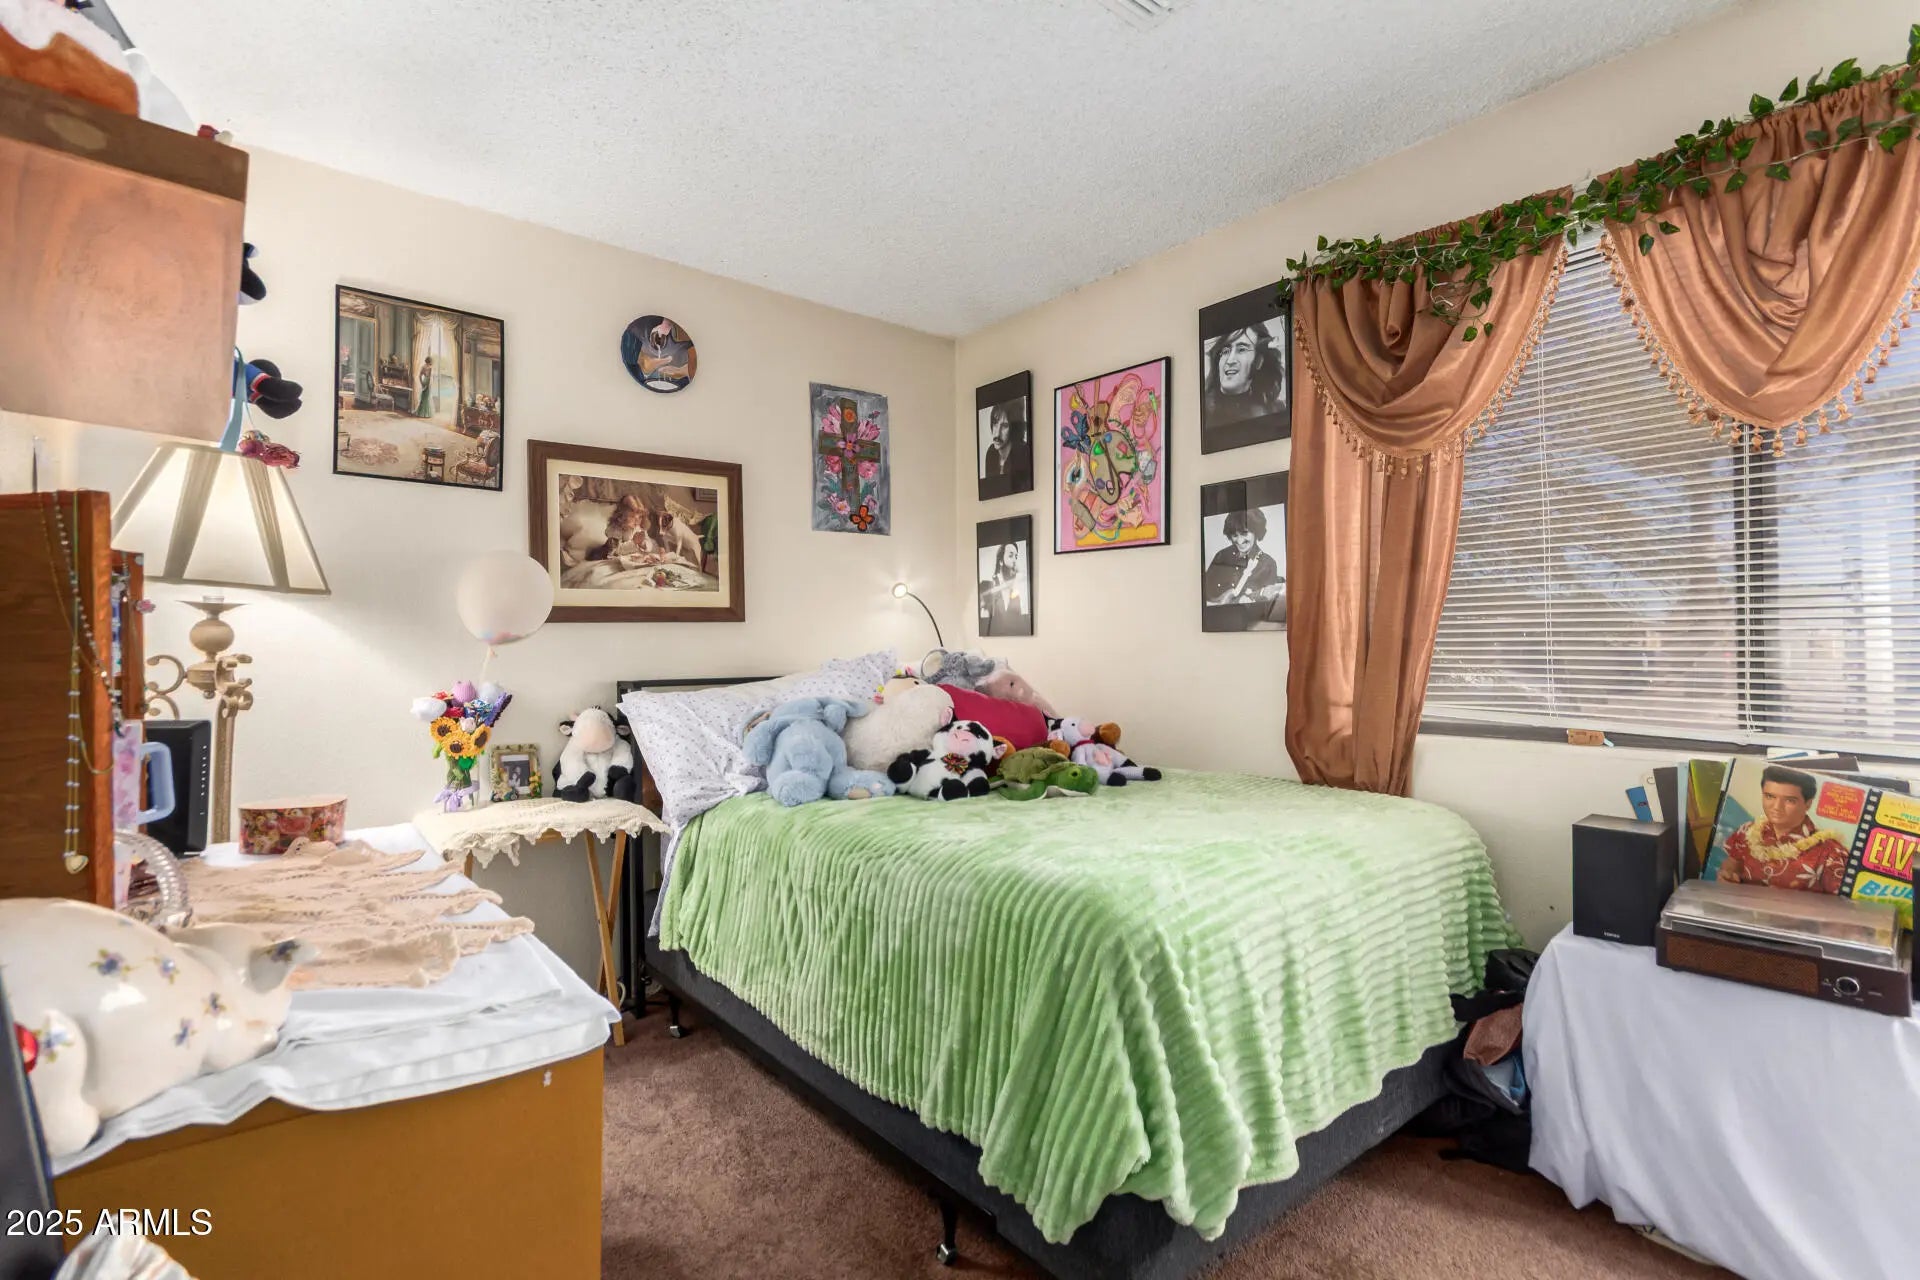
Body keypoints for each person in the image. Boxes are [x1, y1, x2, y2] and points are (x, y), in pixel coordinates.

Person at [1714, 765, 1850, 893]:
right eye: (1770, 796)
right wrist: (1727, 875)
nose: (1776, 807)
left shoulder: (1831, 852)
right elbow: (1731, 865)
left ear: (1808, 804)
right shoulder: (1747, 830)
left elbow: (1841, 905)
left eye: (1790, 800)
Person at [1203, 323, 1286, 427]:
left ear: (1258, 361)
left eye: (1241, 349)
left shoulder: (1276, 410)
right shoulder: (1203, 412)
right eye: (1225, 351)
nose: (1230, 360)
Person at [1204, 508, 1282, 608]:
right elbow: (1204, 593)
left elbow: (1267, 607)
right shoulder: (1221, 556)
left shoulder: (1268, 564)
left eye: (1244, 533)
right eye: (1235, 535)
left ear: (1256, 532)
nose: (1240, 541)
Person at [979, 542, 1025, 633]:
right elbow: (984, 624)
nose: (1015, 561)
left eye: (1016, 557)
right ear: (1000, 561)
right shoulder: (987, 585)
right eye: (1010, 556)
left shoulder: (1015, 592)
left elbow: (1018, 624)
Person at [981, 401, 1026, 480]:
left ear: (1014, 429)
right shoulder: (991, 453)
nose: (997, 434)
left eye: (1005, 426)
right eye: (995, 423)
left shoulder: (1024, 454)